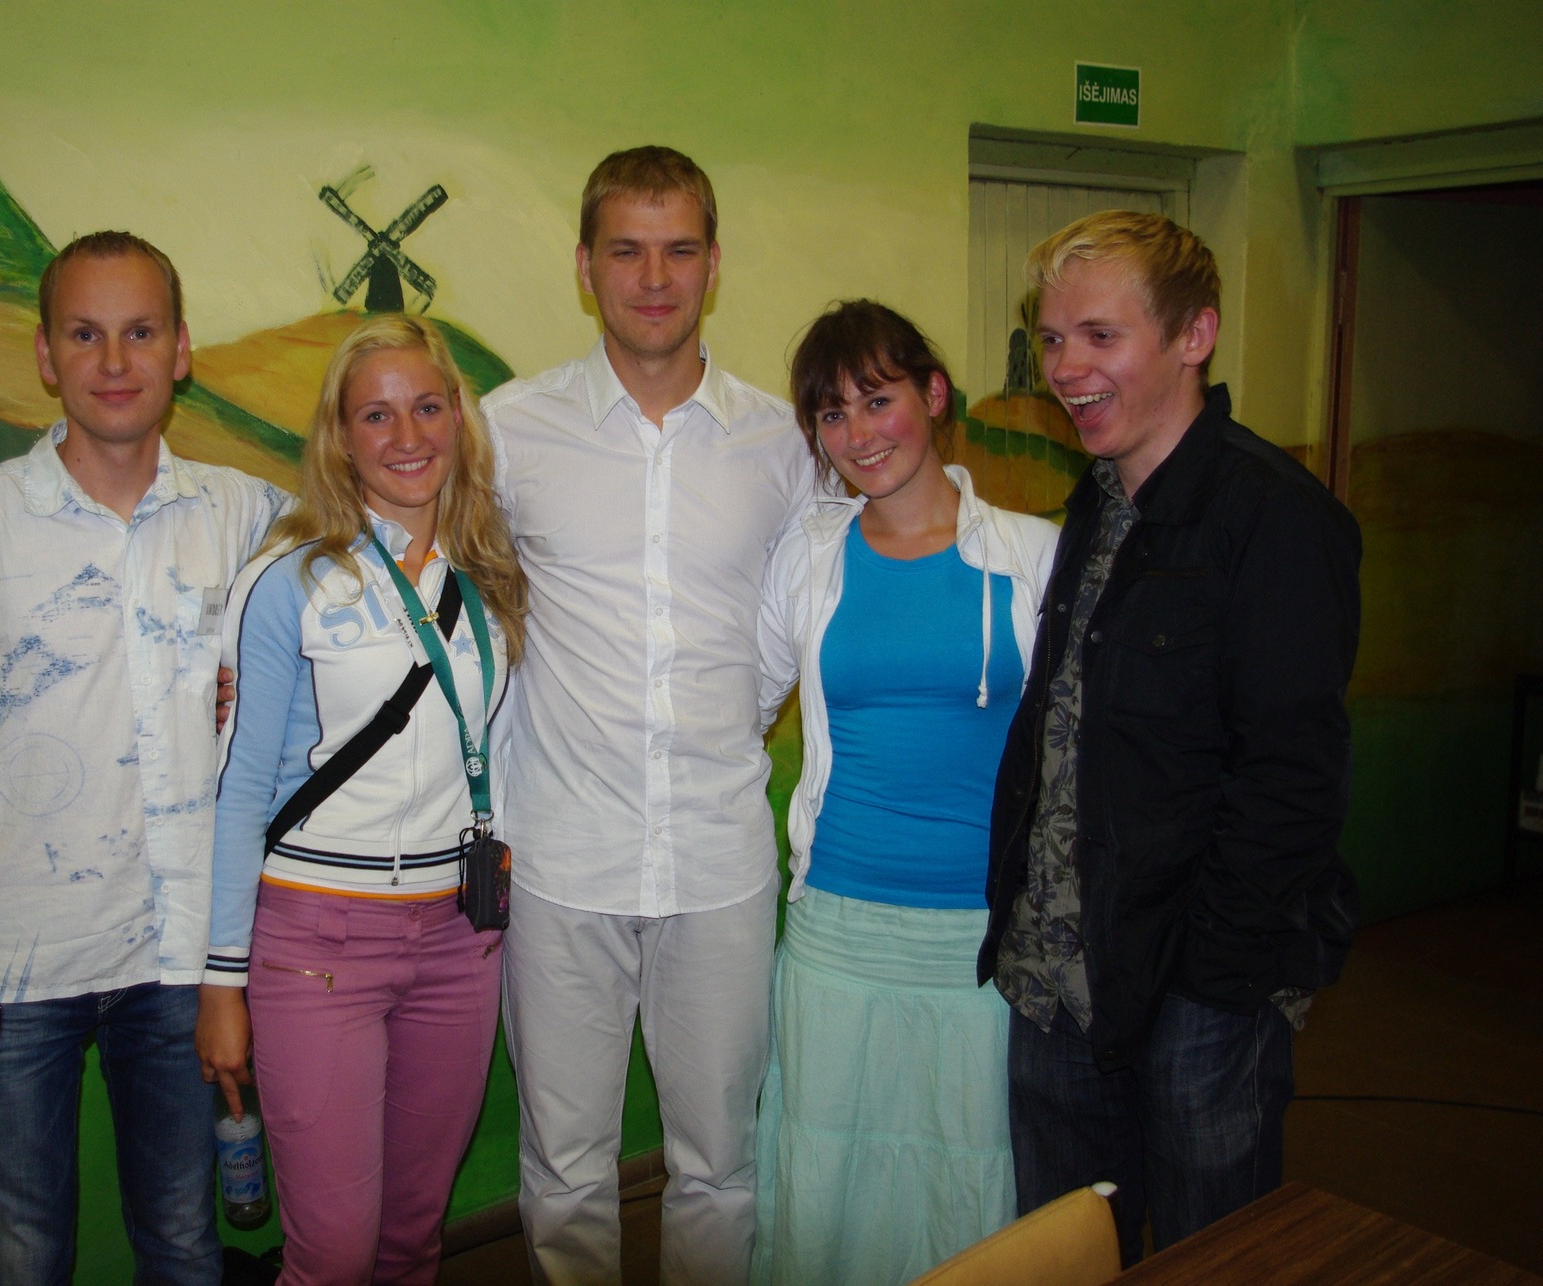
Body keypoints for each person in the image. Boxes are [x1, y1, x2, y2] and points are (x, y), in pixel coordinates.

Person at [0, 230, 291, 1284]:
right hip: (13, 960)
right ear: (46, 355)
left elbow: (330, 665)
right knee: (21, 1256)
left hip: (182, 962)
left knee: (183, 1244)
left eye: (140, 332)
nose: (115, 361)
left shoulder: (248, 517)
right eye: (85, 334)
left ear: (181, 348)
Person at [977, 210, 1361, 1264]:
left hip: (1195, 992)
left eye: (1100, 336)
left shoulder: (1276, 519)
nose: (1067, 368)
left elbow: (1291, 782)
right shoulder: (1098, 502)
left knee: (1212, 1254)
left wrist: (1211, 985)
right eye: (1052, 339)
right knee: (1070, 1251)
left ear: (1196, 334)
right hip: (1057, 977)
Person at [482, 145, 814, 1285]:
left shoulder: (784, 443)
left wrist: (724, 724)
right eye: (627, 250)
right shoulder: (508, 430)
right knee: (566, 1164)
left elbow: (793, 625)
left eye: (679, 250)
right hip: (560, 860)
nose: (655, 277)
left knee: (719, 1161)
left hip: (719, 859)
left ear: (715, 264)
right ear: (586, 267)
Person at [196, 314, 529, 1286]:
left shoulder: (491, 578)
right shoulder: (289, 579)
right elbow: (237, 791)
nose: (407, 435)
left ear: (458, 417)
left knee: (412, 1239)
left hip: (459, 943)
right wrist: (220, 983)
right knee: (335, 1254)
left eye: (427, 407)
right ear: (341, 437)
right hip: (317, 942)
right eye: (376, 415)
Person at [753, 300, 1058, 1282]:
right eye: (832, 414)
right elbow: (738, 704)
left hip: (981, 936)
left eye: (877, 400)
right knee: (828, 1178)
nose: (858, 433)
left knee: (966, 1175)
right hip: (838, 928)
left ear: (933, 395)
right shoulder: (809, 555)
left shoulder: (1034, 556)